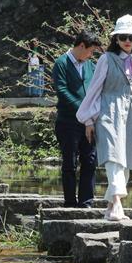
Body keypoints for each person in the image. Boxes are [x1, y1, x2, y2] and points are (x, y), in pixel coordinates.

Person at [76, 15, 132, 221]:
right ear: (116, 38)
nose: (127, 41)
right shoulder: (106, 59)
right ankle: (119, 203)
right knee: (113, 156)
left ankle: (112, 205)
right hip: (109, 111)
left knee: (127, 158)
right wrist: (88, 119)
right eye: (123, 37)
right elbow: (94, 89)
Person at [51, 30, 101, 208]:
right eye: (90, 51)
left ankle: (86, 200)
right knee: (69, 162)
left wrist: (91, 115)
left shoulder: (90, 66)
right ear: (81, 46)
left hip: (89, 122)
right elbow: (62, 91)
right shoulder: (61, 63)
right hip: (68, 122)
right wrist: (83, 110)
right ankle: (70, 201)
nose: (91, 55)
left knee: (89, 160)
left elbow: (96, 89)